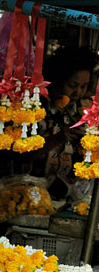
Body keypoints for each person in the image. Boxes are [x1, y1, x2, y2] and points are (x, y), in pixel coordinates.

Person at [41, 46, 97, 202]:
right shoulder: (35, 108)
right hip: (33, 192)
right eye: (73, 85)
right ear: (58, 81)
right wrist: (57, 139)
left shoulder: (83, 109)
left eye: (83, 87)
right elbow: (20, 155)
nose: (77, 93)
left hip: (68, 196)